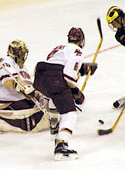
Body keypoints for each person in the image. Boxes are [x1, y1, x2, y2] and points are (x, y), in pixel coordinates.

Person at [33, 27, 97, 160]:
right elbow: (68, 76)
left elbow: (56, 66)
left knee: (54, 96)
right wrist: (75, 91)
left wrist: (82, 70)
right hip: (54, 78)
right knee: (69, 114)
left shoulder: (59, 47)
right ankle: (61, 144)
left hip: (40, 76)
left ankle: (54, 125)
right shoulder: (78, 50)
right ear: (82, 41)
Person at [0, 40, 50, 134]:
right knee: (32, 123)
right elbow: (8, 82)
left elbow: (28, 88)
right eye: (22, 54)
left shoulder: (23, 68)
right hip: (8, 104)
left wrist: (36, 93)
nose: (24, 57)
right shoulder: (4, 61)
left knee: (48, 103)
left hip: (21, 101)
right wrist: (20, 87)